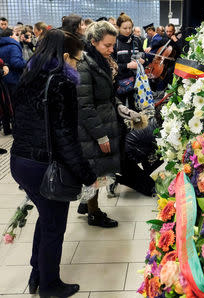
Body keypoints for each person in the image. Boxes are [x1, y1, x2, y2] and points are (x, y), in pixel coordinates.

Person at [10, 29, 96, 298]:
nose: (76, 66)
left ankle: (37, 274)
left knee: (46, 218)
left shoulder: (29, 74)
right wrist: (86, 173)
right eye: (76, 60)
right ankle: (50, 285)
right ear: (66, 56)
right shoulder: (61, 82)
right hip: (44, 165)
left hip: (20, 161)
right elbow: (65, 137)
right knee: (54, 226)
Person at [76, 20, 140, 227]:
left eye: (113, 45)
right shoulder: (84, 65)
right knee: (94, 169)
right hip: (93, 129)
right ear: (93, 42)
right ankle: (93, 213)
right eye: (107, 45)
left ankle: (87, 203)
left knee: (99, 168)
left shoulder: (101, 61)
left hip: (106, 121)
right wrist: (101, 135)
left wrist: (122, 108)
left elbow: (109, 95)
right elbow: (85, 106)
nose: (112, 49)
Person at [112, 12, 146, 111]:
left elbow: (144, 57)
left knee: (136, 110)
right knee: (120, 111)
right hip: (119, 83)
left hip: (136, 82)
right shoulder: (114, 42)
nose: (128, 31)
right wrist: (127, 65)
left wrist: (143, 61)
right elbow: (111, 65)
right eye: (125, 28)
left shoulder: (136, 41)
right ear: (118, 27)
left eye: (130, 28)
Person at [0, 28, 27, 134]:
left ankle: (6, 128)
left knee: (4, 104)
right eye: (16, 35)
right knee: (15, 105)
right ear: (11, 36)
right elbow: (15, 62)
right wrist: (28, 63)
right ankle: (17, 128)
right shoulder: (14, 46)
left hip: (2, 79)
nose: (17, 37)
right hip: (13, 79)